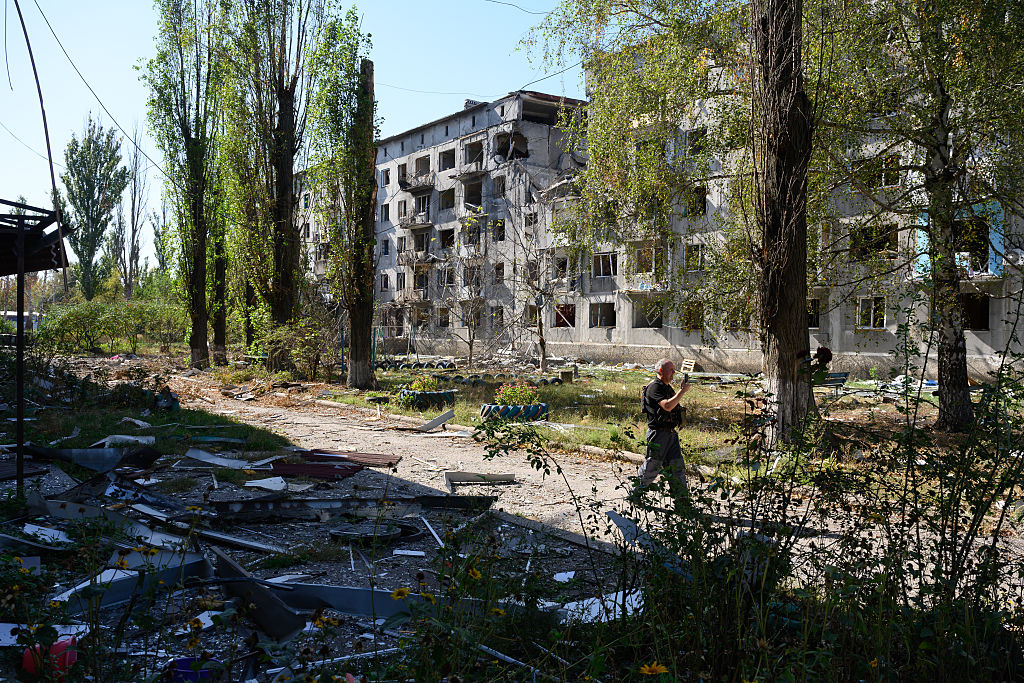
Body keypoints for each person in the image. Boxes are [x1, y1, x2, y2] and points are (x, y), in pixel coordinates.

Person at [637, 357, 691, 496]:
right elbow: (667, 406)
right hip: (658, 435)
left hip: (670, 434)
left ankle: (682, 502)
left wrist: (679, 391)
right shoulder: (654, 387)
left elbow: (673, 405)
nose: (673, 373)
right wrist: (682, 392)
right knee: (651, 467)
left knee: (677, 467)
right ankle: (635, 495)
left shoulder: (666, 387)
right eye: (670, 370)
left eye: (674, 370)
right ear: (661, 371)